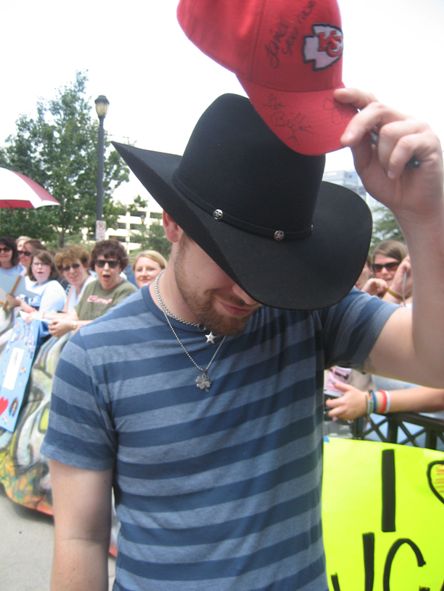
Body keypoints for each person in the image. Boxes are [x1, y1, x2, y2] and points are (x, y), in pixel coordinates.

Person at [41, 88, 444, 591]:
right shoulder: (93, 357)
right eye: (231, 259)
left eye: (273, 268)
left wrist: (426, 217)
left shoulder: (306, 313)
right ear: (173, 223)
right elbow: (81, 537)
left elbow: (435, 361)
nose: (252, 292)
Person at [48, 239, 136, 338]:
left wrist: (72, 325)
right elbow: (76, 314)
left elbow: (110, 324)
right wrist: (59, 324)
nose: (106, 268)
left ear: (120, 267)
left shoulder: (128, 291)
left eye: (112, 264)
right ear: (94, 265)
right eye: (101, 263)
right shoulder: (91, 286)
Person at [11, 249, 66, 319]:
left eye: (44, 264)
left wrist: (21, 303)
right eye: (36, 264)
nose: (39, 267)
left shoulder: (53, 288)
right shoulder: (30, 284)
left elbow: (42, 319)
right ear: (31, 267)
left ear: (51, 268)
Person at [54, 244, 94, 312]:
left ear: (85, 265)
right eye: (67, 268)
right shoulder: (73, 287)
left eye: (75, 266)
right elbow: (65, 313)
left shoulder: (93, 286)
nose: (72, 271)